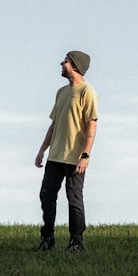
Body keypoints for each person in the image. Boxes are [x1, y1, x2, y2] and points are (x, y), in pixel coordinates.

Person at [34, 51, 99, 252]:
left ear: (76, 66)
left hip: (74, 157)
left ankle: (76, 242)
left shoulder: (87, 92)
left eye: (66, 61)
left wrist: (85, 155)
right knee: (46, 195)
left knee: (74, 199)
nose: (62, 63)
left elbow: (91, 125)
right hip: (55, 155)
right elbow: (54, 125)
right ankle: (48, 239)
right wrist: (42, 150)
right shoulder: (61, 93)